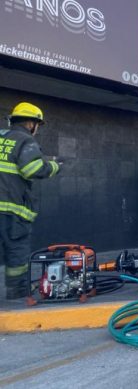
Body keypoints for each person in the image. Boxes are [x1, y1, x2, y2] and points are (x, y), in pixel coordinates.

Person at [0, 102, 61, 299]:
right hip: (11, 212)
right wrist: (53, 166)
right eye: (37, 125)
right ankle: (16, 292)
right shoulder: (25, 140)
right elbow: (32, 170)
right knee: (16, 254)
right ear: (30, 123)